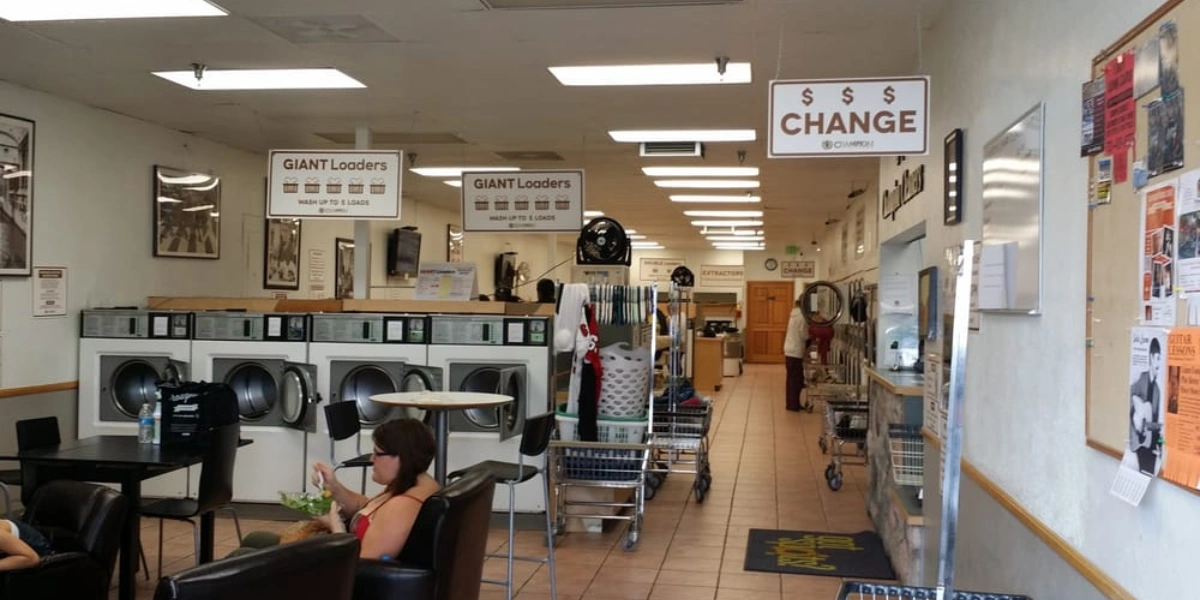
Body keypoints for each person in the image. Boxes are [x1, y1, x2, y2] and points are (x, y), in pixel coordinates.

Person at [235, 418, 440, 559]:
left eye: (377, 453)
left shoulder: (402, 508)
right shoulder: (416, 482)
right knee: (256, 539)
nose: (371, 459)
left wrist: (335, 526)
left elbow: (357, 566)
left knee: (241, 558)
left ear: (401, 457)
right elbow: (366, 507)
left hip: (333, 572)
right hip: (341, 553)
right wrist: (334, 486)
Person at [1129, 338, 1165, 475]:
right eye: (1157, 358)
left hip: (1150, 447)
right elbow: (1129, 401)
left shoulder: (1157, 392)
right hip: (1139, 442)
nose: (1159, 363)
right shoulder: (1140, 379)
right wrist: (1136, 418)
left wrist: (1162, 441)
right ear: (1151, 357)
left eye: (1161, 359)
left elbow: (1154, 426)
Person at [783, 298, 809, 412]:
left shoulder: (793, 315)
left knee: (791, 379)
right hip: (796, 351)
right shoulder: (802, 317)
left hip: (789, 349)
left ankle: (791, 403)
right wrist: (811, 335)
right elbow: (803, 335)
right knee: (796, 379)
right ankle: (794, 405)